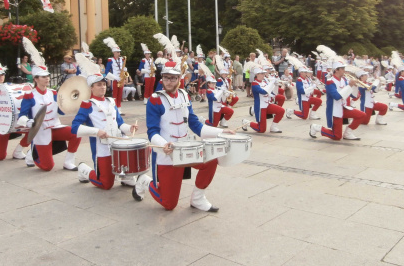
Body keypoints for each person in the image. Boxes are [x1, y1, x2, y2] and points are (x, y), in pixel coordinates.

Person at [131, 60, 235, 212]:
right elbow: (152, 131)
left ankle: (198, 199)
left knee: (212, 159)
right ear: (162, 78)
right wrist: (163, 145)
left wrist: (220, 132)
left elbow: (195, 125)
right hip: (167, 154)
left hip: (187, 149)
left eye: (173, 78)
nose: (169, 81)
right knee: (169, 205)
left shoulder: (185, 95)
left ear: (179, 78)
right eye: (166, 77)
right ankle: (145, 181)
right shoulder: (155, 99)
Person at [71, 54, 138, 190]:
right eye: (98, 85)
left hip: (117, 144)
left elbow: (120, 123)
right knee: (106, 184)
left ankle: (125, 177)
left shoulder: (111, 101)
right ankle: (85, 170)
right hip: (102, 148)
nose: (102, 87)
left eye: (103, 84)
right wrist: (97, 132)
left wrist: (129, 128)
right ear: (91, 87)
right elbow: (75, 128)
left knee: (131, 149)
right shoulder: (87, 105)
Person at [18, 39, 81, 171]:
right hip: (40, 131)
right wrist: (29, 122)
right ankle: (34, 153)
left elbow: (61, 111)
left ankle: (68, 162)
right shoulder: (30, 95)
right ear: (35, 79)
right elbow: (21, 117)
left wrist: (71, 103)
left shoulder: (53, 93)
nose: (47, 78)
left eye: (47, 76)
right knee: (48, 167)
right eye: (43, 77)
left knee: (76, 133)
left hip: (55, 127)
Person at [309, 60, 365, 140]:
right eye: (342, 68)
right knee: (337, 136)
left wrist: (355, 86)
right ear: (336, 70)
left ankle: (348, 133)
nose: (344, 70)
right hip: (335, 110)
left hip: (344, 107)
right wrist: (349, 85)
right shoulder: (330, 82)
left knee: (362, 115)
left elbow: (353, 96)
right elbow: (336, 96)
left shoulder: (344, 80)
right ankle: (317, 128)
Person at [242, 65, 285, 133]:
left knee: (281, 110)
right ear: (257, 74)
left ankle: (273, 127)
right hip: (260, 107)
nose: (263, 75)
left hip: (267, 104)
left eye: (263, 73)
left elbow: (273, 94)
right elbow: (264, 92)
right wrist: (272, 83)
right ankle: (247, 122)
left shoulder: (264, 82)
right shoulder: (254, 83)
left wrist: (276, 85)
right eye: (262, 73)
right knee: (261, 129)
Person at [105, 38, 126, 114]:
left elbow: (122, 68)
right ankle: (115, 108)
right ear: (114, 53)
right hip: (114, 79)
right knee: (115, 95)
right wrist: (115, 77)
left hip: (121, 79)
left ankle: (119, 108)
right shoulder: (110, 60)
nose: (119, 53)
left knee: (120, 94)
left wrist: (125, 71)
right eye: (117, 52)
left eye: (119, 52)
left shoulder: (122, 59)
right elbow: (106, 72)